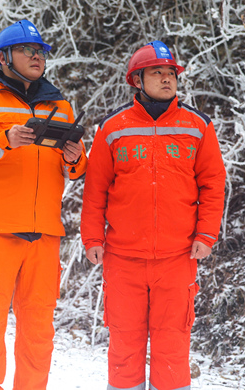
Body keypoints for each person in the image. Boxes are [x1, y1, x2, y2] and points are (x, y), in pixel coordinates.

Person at [0, 19, 87, 390]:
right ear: (4, 57)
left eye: (40, 51)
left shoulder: (60, 105)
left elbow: (75, 170)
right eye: (28, 50)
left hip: (44, 234)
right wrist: (4, 139)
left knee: (39, 332)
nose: (36, 56)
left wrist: (75, 157)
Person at [80, 40, 226, 390]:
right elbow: (95, 188)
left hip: (177, 258)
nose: (166, 79)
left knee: (172, 346)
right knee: (125, 346)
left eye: (171, 73)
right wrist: (92, 238)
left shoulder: (197, 126)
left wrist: (206, 236)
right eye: (157, 72)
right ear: (137, 80)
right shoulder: (113, 128)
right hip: (123, 258)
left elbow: (213, 185)